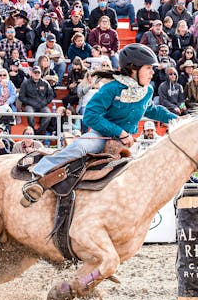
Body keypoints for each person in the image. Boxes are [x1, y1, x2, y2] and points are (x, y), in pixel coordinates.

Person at [21, 43, 178, 206]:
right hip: (101, 136)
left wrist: (177, 120)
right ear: (133, 68)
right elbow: (90, 116)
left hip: (128, 141)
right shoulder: (111, 89)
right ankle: (38, 174)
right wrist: (120, 132)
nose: (153, 72)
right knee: (79, 148)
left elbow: (151, 109)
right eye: (148, 68)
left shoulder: (148, 91)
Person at [18, 65, 55, 135]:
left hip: (42, 105)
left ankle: (40, 131)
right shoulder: (25, 83)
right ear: (31, 73)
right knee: (29, 113)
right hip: (30, 105)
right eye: (35, 73)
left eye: (38, 73)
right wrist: (30, 102)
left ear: (41, 74)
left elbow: (51, 95)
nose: (37, 74)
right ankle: (32, 130)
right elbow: (21, 96)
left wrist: (45, 102)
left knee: (48, 114)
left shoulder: (45, 83)